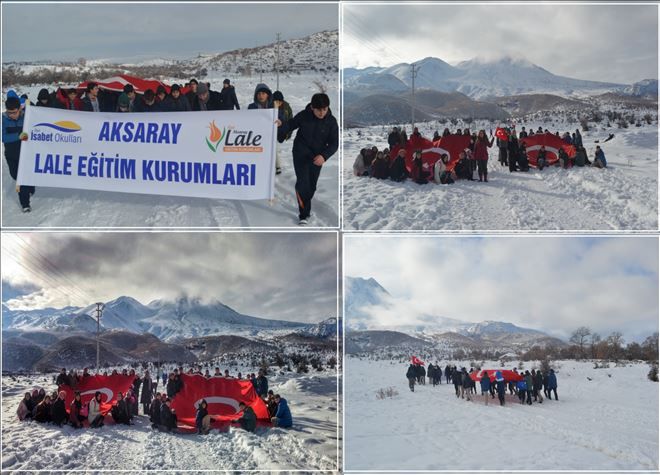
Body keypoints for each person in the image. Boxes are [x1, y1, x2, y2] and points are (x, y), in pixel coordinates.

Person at [276, 93, 338, 225]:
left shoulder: (331, 122)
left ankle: (303, 197)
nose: (322, 113)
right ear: (312, 108)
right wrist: (281, 125)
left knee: (311, 186)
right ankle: (304, 214)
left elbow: (334, 144)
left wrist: (324, 156)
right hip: (300, 153)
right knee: (303, 183)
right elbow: (291, 124)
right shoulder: (304, 116)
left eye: (324, 109)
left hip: (317, 157)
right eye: (318, 110)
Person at [2, 96, 35, 212]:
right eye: (9, 112)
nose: (12, 115)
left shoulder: (26, 117)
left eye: (14, 112)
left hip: (25, 154)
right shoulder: (3, 120)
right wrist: (18, 136)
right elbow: (3, 137)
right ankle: (30, 186)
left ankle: (25, 204)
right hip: (11, 155)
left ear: (19, 110)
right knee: (15, 175)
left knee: (22, 179)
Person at [272, 90, 293, 175]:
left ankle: (277, 166)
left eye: (279, 101)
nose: (278, 103)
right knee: (274, 148)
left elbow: (290, 121)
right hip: (271, 131)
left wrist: (288, 133)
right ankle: (277, 166)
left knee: (275, 148)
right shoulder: (269, 106)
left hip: (281, 131)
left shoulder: (286, 107)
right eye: (276, 101)